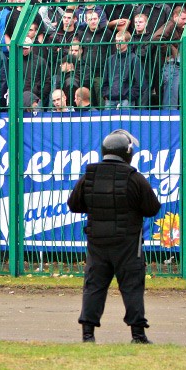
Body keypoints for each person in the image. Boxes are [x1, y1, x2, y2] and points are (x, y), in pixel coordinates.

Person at [67, 129, 161, 344]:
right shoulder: (135, 178)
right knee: (132, 288)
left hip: (97, 243)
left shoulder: (88, 176)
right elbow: (152, 208)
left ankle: (88, 335)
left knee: (94, 286)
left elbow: (74, 205)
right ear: (128, 153)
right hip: (127, 244)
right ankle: (138, 335)